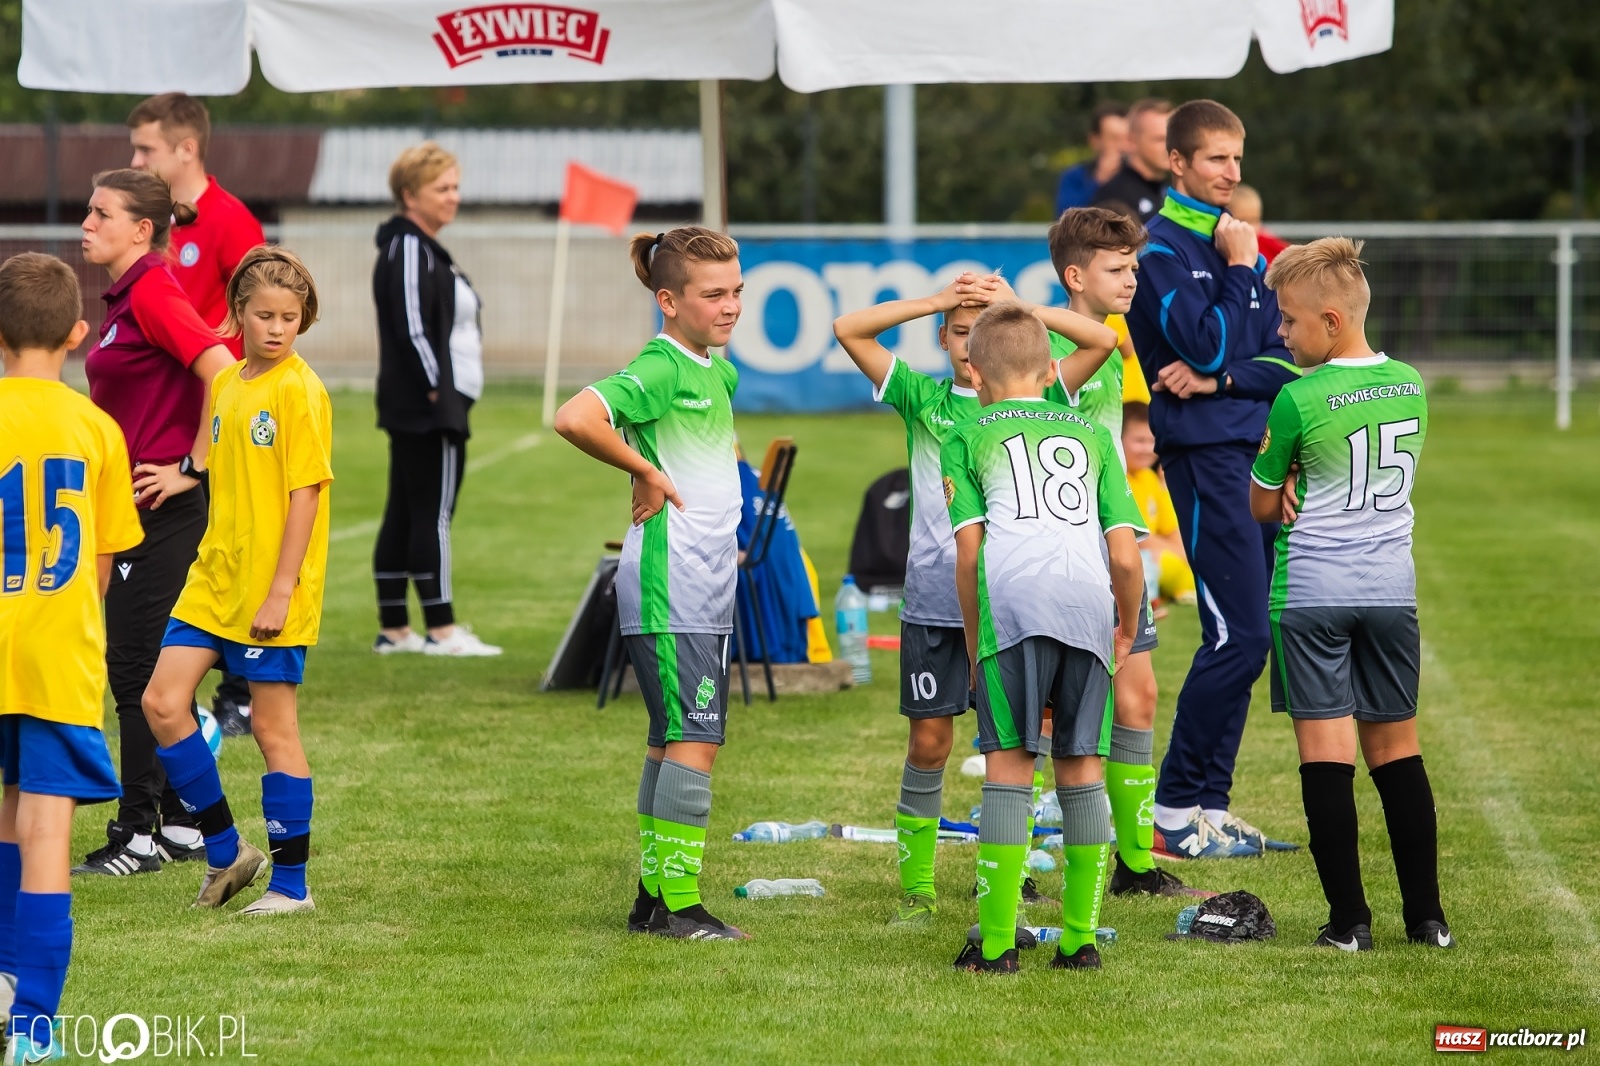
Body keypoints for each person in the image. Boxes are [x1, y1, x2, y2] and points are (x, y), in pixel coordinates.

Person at [833, 273, 1119, 928]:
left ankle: (1009, 882)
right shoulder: (922, 399)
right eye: (958, 334)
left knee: (1024, 744)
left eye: (978, 333)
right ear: (943, 338)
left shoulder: (1041, 394)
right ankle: (918, 887)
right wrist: (938, 299)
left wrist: (1017, 308)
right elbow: (849, 329)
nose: (968, 348)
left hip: (1017, 609)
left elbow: (1102, 341)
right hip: (939, 602)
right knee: (931, 742)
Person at [1250, 238, 1452, 951]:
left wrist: (1288, 479)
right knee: (1398, 749)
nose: (1281, 332)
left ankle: (1349, 923)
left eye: (1288, 321)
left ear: (1331, 322)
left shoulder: (1297, 397)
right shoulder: (1410, 382)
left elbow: (1263, 503)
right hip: (1392, 591)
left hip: (1312, 592)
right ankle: (1428, 920)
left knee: (1326, 756)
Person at [553, 227, 748, 941]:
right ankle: (681, 905)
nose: (730, 307)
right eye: (713, 294)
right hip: (671, 583)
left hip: (701, 581)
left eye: (736, 292)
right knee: (694, 738)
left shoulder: (716, 371)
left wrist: (653, 467)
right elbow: (575, 417)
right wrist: (645, 472)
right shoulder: (663, 363)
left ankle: (653, 897)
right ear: (668, 301)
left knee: (672, 739)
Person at [942, 302, 1145, 974]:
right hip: (1089, 601)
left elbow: (968, 554)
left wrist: (975, 645)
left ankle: (998, 944)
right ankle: (1080, 943)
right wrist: (1125, 624)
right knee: (1083, 767)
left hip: (1013, 602)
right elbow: (1124, 553)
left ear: (974, 370)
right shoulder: (1091, 434)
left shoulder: (966, 434)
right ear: (1050, 368)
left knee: (1009, 767)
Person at [1124, 100, 1302, 858]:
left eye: (1237, 158)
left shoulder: (1242, 247)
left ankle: (1211, 807)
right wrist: (1236, 275)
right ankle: (1172, 813)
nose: (1232, 172)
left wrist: (1224, 381)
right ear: (1179, 164)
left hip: (1251, 452)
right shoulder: (1162, 248)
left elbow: (1287, 360)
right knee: (1238, 634)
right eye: (1216, 159)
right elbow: (1203, 341)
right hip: (1202, 459)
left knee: (1252, 641)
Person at [141, 246, 333, 915]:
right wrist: (183, 473)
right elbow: (213, 460)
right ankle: (226, 853)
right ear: (238, 316)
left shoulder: (299, 389)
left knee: (276, 731)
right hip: (213, 578)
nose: (277, 328)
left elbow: (305, 494)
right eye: (264, 315)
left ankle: (291, 887)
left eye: (290, 317)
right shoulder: (226, 384)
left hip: (270, 589)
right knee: (162, 704)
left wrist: (282, 590)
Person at [1030, 207, 1207, 892]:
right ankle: (1019, 861)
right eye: (1117, 269)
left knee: (1138, 700)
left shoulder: (1111, 341)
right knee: (1051, 716)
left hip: (1117, 547)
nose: (1133, 279)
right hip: (1070, 557)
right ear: (1076, 276)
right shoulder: (1061, 351)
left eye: (1134, 266)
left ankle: (1135, 865)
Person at [0, 253, 145, 1063]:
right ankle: (34, 1031)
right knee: (46, 833)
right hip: (59, 651)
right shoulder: (96, 428)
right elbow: (99, 561)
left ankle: (2, 977)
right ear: (80, 336)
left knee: (5, 816)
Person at [75, 170, 237, 878]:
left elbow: (221, 368)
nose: (86, 222)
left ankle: (136, 834)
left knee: (138, 675)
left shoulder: (150, 287)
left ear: (141, 229)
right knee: (149, 673)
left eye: (100, 212)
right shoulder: (126, 293)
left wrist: (191, 467)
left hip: (164, 513)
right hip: (134, 512)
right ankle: (177, 824)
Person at [128, 91, 267, 738]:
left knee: (233, 549)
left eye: (145, 149)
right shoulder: (155, 225)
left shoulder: (232, 220)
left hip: (225, 420)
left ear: (186, 149)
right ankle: (178, 679)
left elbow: (264, 307)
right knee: (185, 558)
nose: (135, 159)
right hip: (172, 420)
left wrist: (220, 347)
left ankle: (240, 690)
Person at [371, 142, 498, 657]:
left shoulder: (423, 248)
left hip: (433, 401)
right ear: (409, 194)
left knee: (405, 508)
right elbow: (412, 325)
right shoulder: (407, 248)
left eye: (455, 187)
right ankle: (441, 629)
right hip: (427, 406)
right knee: (433, 512)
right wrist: (436, 389)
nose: (453, 197)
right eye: (442, 188)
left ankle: (396, 628)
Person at [1121, 402, 1197, 607]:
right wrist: (1182, 556)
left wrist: (1164, 487)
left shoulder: (1150, 478)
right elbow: (1138, 537)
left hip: (1157, 555)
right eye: (1139, 441)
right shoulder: (1119, 477)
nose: (1147, 449)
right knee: (1161, 562)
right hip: (1133, 556)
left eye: (1151, 441)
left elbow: (1170, 529)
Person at [1092, 98, 1173, 221]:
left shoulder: (1172, 192)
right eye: (1159, 139)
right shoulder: (1114, 198)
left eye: (1172, 138)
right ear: (1131, 141)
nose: (1169, 146)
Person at [1055, 102, 1129, 215]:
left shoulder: (1140, 177)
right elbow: (1064, 218)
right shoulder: (1075, 177)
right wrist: (1098, 181)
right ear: (1094, 140)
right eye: (1114, 138)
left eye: (1127, 138)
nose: (1122, 146)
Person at [1230, 184, 1290, 265]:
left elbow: (1294, 257)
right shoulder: (1220, 252)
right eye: (1243, 220)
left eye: (1254, 220)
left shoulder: (1269, 245)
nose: (1250, 227)